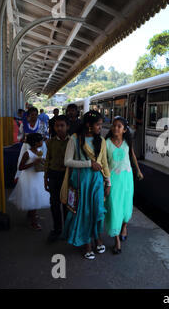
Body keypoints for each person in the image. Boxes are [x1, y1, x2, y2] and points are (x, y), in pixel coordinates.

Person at [61, 110, 111, 260]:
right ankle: (86, 243)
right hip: (81, 181)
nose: (100, 128)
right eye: (98, 125)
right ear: (88, 125)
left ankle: (97, 238)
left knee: (97, 210)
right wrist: (89, 163)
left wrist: (108, 182)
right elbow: (67, 161)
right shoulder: (74, 139)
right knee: (84, 212)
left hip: (96, 181)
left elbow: (104, 163)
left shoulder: (101, 140)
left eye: (101, 125)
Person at [104, 117, 143, 254]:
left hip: (127, 178)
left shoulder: (127, 142)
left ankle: (124, 227)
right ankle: (117, 241)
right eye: (114, 126)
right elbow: (104, 164)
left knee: (126, 207)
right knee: (114, 208)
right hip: (113, 180)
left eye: (119, 126)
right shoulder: (106, 143)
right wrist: (106, 181)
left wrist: (138, 170)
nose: (116, 128)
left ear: (124, 129)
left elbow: (132, 156)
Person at [8, 133, 50, 230]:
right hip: (29, 179)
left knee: (35, 197)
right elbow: (20, 167)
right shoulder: (27, 153)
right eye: (40, 141)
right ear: (35, 143)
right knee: (32, 198)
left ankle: (31, 214)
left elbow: (40, 162)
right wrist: (33, 163)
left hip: (38, 177)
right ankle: (33, 223)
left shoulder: (39, 151)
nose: (42, 142)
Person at [45, 115, 70, 243]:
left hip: (67, 177)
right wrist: (45, 178)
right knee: (54, 204)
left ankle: (67, 230)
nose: (59, 128)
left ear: (67, 127)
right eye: (57, 126)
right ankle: (57, 229)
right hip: (53, 175)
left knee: (67, 204)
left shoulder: (72, 142)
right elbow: (47, 160)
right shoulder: (50, 142)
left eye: (62, 126)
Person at [15, 107, 48, 182]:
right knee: (25, 162)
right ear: (28, 116)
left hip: (40, 146)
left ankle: (42, 178)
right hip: (27, 146)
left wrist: (42, 139)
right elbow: (20, 136)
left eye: (35, 115)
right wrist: (25, 139)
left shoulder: (42, 124)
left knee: (41, 162)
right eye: (31, 115)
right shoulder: (24, 124)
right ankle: (24, 179)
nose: (33, 116)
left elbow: (46, 134)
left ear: (38, 115)